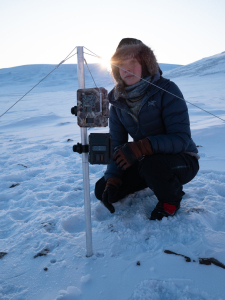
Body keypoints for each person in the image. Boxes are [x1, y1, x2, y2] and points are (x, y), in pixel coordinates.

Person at [95, 38, 199, 220]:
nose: (127, 68)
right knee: (101, 189)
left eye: (132, 62)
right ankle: (153, 180)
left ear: (144, 63)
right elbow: (116, 144)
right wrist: (113, 178)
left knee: (153, 165)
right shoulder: (118, 102)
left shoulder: (166, 90)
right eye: (121, 64)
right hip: (145, 162)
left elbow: (181, 139)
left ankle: (170, 200)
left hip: (183, 160)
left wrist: (141, 147)